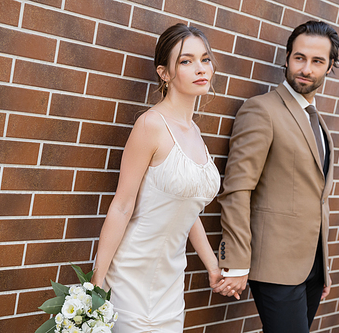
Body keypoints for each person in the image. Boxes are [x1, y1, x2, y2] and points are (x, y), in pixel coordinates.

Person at [91, 23, 222, 332]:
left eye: (205, 59)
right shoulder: (150, 125)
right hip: (129, 276)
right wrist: (96, 283)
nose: (200, 68)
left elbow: (186, 208)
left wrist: (212, 266)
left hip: (171, 283)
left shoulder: (196, 133)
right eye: (186, 61)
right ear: (165, 73)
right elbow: (122, 207)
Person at [214, 20, 339, 333]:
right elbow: (237, 189)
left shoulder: (317, 122)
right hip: (274, 266)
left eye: (317, 61)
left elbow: (317, 196)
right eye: (299, 57)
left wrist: (321, 266)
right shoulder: (261, 111)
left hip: (310, 268)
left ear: (330, 67)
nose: (306, 68)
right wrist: (237, 262)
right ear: (287, 58)